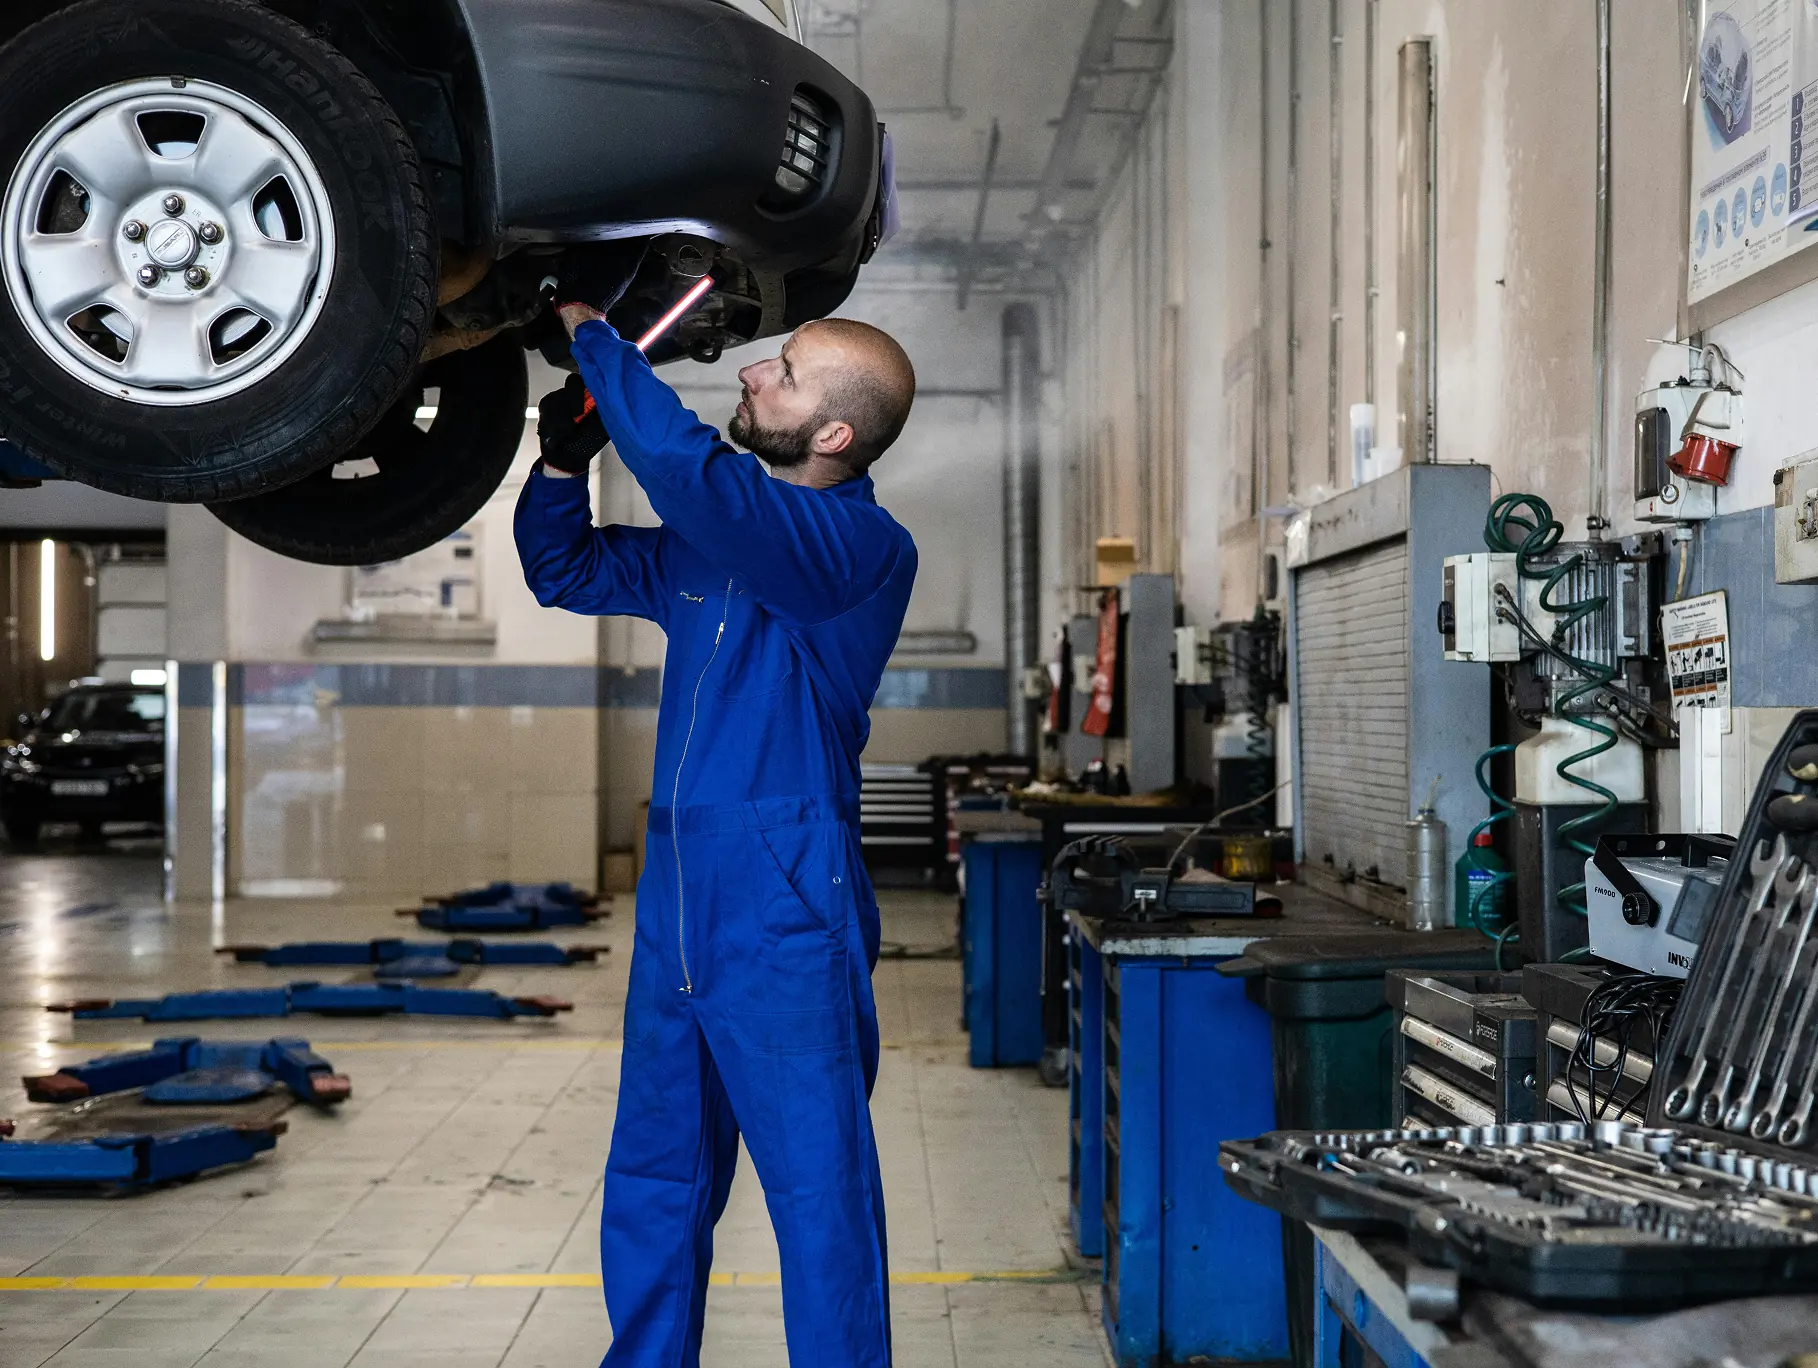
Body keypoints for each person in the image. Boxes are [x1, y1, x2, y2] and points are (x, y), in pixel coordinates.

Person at [514, 257, 918, 1368]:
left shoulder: (858, 552)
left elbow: (696, 478)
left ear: (833, 435)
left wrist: (598, 333)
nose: (753, 370)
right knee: (654, 1173)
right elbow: (567, 572)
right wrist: (558, 463)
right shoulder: (716, 544)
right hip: (681, 899)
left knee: (818, 1195)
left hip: (786, 903)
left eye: (782, 374)